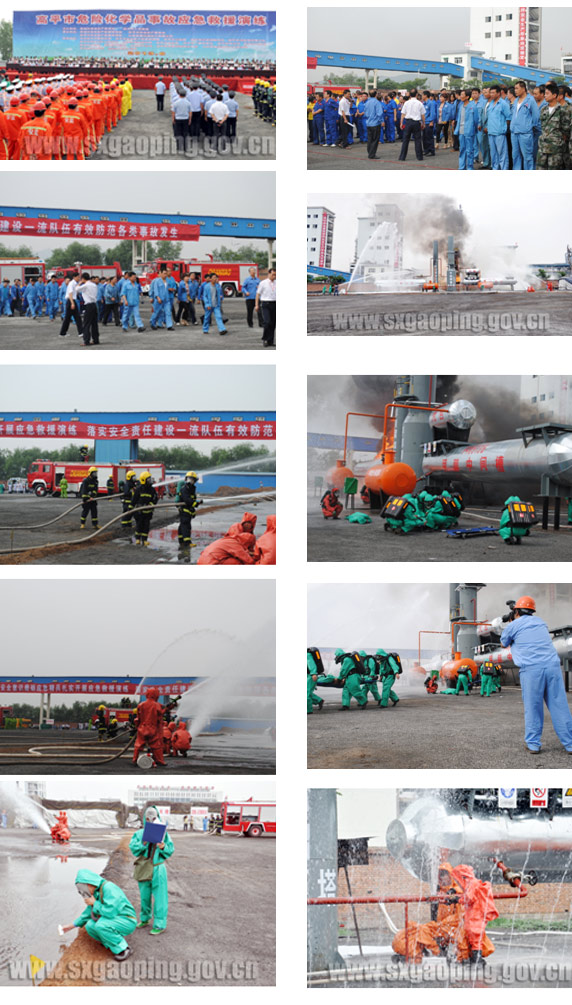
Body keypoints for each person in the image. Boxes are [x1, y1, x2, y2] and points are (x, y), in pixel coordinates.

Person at [500, 595, 572, 754]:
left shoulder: (513, 625)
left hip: (532, 670)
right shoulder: (541, 623)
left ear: (516, 611)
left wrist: (511, 623)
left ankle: (533, 744)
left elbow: (503, 643)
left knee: (533, 707)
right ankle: (570, 744)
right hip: (553, 667)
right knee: (559, 706)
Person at [61, 869, 137, 961]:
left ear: (89, 884)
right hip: (115, 919)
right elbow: (88, 913)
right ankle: (110, 943)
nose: (84, 893)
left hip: (127, 920)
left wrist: (94, 903)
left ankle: (123, 949)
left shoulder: (109, 888)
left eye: (84, 889)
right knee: (90, 925)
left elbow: (110, 912)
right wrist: (71, 926)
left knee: (101, 925)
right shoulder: (96, 891)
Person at [129, 807, 174, 935]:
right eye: (148, 818)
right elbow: (133, 848)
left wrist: (163, 846)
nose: (150, 820)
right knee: (144, 896)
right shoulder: (139, 834)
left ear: (157, 817)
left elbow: (170, 849)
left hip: (158, 868)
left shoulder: (164, 833)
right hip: (144, 867)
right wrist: (143, 843)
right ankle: (145, 918)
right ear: (144, 818)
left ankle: (160, 924)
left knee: (160, 897)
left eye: (153, 817)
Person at [537, 81, 571, 170]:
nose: (545, 95)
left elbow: (566, 130)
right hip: (542, 148)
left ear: (554, 95)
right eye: (544, 93)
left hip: (555, 149)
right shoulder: (543, 109)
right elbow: (542, 126)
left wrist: (556, 140)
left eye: (547, 93)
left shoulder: (562, 110)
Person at [132, 687, 165, 766]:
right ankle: (160, 760)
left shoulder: (141, 705)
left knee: (138, 744)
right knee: (156, 745)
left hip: (142, 728)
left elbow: (137, 718)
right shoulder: (156, 705)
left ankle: (135, 759)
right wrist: (166, 709)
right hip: (153, 728)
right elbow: (160, 715)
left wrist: (137, 726)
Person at [177, 470, 200, 562]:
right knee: (186, 525)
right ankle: (187, 542)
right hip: (184, 510)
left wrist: (193, 509)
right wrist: (195, 503)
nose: (191, 481)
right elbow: (187, 499)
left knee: (183, 525)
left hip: (188, 511)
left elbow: (192, 500)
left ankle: (181, 540)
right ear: (186, 479)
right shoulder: (185, 488)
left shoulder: (192, 489)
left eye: (193, 479)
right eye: (190, 479)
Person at [131, 470, 157, 546]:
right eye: (148, 479)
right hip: (139, 512)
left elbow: (155, 499)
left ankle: (145, 540)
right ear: (144, 480)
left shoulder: (152, 490)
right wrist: (130, 508)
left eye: (150, 479)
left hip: (148, 513)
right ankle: (138, 539)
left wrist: (151, 504)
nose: (150, 481)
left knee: (146, 527)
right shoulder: (139, 489)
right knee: (139, 526)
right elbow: (134, 499)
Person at [455, 89, 479, 170]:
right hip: (461, 131)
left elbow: (476, 120)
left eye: (462, 95)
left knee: (469, 151)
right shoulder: (461, 106)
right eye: (461, 94)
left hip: (469, 131)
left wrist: (474, 130)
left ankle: (470, 167)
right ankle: (462, 167)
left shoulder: (473, 106)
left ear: (467, 97)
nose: (461, 96)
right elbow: (459, 118)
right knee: (462, 149)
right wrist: (457, 130)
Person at [398, 89, 425, 162]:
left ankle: (402, 157)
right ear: (416, 95)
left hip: (408, 122)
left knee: (405, 140)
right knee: (418, 140)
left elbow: (403, 114)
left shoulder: (406, 103)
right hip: (416, 122)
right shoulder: (419, 103)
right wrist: (423, 123)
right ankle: (419, 157)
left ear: (410, 95)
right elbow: (422, 115)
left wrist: (401, 123)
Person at [255, 267, 276, 346]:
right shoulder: (263, 283)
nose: (274, 276)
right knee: (267, 322)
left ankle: (271, 341)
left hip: (274, 303)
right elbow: (258, 294)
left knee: (273, 323)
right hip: (265, 304)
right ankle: (265, 339)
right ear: (269, 274)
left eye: (275, 275)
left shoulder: (277, 283)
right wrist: (256, 305)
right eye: (273, 275)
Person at [59, 270, 83, 338]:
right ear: (74, 277)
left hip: (72, 301)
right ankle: (80, 332)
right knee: (73, 317)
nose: (79, 278)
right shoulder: (71, 283)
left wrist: (79, 284)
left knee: (73, 317)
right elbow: (70, 293)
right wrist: (72, 303)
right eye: (78, 277)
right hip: (71, 301)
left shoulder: (74, 283)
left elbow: (76, 289)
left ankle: (63, 333)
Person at [364, 89, 384, 159]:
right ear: (376, 95)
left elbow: (365, 112)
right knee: (375, 139)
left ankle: (369, 152)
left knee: (370, 139)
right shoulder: (377, 102)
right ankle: (372, 154)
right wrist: (382, 121)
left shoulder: (367, 102)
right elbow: (379, 113)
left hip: (368, 123)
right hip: (375, 123)